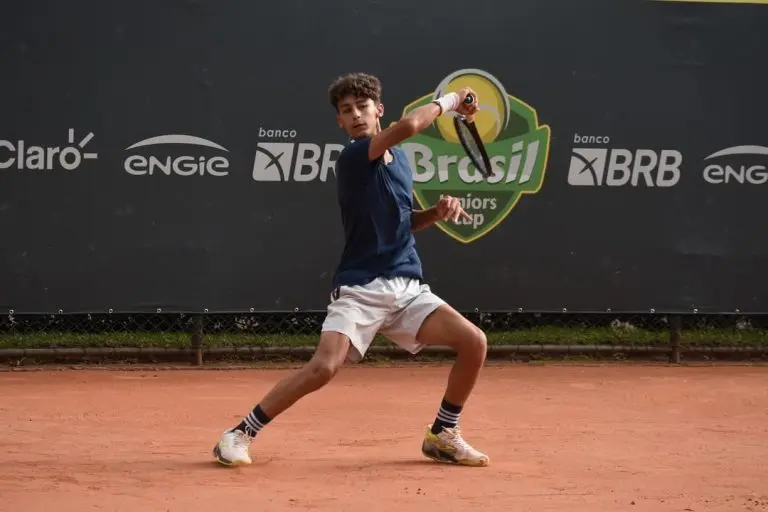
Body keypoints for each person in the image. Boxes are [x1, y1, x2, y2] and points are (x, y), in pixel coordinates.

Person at [213, 72, 489, 467]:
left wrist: (436, 213)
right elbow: (410, 126)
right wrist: (451, 100)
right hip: (361, 288)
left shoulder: (400, 161)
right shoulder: (355, 156)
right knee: (323, 368)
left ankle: (443, 433)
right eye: (347, 110)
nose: (356, 115)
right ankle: (240, 432)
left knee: (474, 342)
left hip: (407, 287)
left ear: (378, 110)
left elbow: (402, 221)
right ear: (340, 122)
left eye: (362, 107)